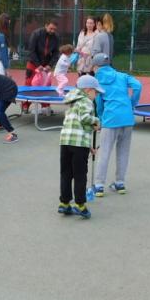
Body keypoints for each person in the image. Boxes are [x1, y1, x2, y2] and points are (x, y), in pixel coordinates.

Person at [92, 52, 142, 197]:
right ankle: (120, 183)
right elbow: (138, 86)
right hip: (127, 118)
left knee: (104, 152)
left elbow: (99, 102)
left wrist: (101, 117)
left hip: (110, 119)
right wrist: (132, 103)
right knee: (123, 151)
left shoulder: (97, 81)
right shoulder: (122, 76)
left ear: (96, 67)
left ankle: (99, 185)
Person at [58, 76, 103, 219]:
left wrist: (89, 146)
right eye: (96, 92)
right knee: (80, 174)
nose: (96, 95)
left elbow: (78, 125)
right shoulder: (86, 101)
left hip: (65, 142)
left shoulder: (72, 102)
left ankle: (64, 203)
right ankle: (80, 204)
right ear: (88, 90)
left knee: (66, 173)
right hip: (79, 145)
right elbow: (85, 119)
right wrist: (96, 121)